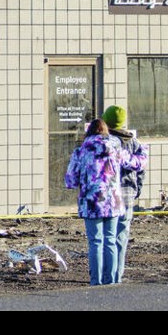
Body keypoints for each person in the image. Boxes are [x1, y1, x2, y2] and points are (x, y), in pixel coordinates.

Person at [65, 118, 148, 286]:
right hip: (113, 202)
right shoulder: (116, 148)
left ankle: (96, 281)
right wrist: (144, 151)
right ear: (106, 131)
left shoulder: (80, 151)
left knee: (95, 242)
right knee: (110, 240)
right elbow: (136, 163)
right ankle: (112, 281)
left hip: (91, 203)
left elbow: (70, 181)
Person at [102, 105, 148, 284]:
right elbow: (141, 171)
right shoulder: (134, 143)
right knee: (121, 237)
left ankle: (104, 276)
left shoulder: (105, 142)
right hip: (127, 195)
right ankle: (117, 276)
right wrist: (137, 190)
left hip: (107, 197)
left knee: (105, 238)